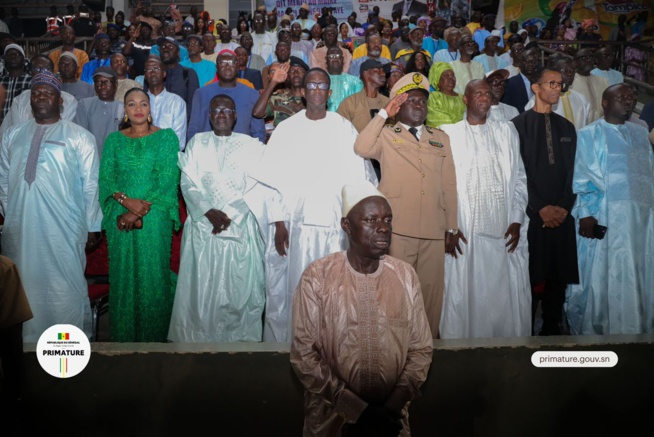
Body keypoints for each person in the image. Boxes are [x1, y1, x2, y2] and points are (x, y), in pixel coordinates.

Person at [290, 182, 433, 436]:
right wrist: (357, 410)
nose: (382, 228)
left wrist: (391, 408)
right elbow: (304, 357)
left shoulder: (405, 276)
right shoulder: (318, 276)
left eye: (387, 220)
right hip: (331, 420)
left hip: (392, 422)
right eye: (371, 220)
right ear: (347, 226)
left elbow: (421, 350)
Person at [252, 67, 377, 342]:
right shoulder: (286, 129)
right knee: (295, 291)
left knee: (334, 293)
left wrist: (352, 225)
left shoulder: (344, 128)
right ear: (304, 92)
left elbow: (360, 179)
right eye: (312, 86)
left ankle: (334, 349)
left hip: (334, 227)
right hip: (296, 228)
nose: (317, 91)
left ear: (329, 93)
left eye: (322, 87)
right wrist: (279, 222)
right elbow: (271, 182)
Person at [0, 71, 102, 342]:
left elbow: (91, 184)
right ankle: (25, 349)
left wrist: (92, 226)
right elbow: (3, 179)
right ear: (29, 101)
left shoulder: (80, 137)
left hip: (64, 228)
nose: (41, 96)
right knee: (22, 286)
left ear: (61, 102)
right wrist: (12, 212)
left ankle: (66, 351)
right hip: (20, 227)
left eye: (48, 93)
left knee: (64, 287)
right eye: (36, 93)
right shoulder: (12, 135)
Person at [354, 72, 458, 338]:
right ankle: (391, 350)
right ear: (398, 107)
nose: (418, 105)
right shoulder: (387, 134)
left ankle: (426, 352)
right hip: (397, 230)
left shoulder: (440, 138)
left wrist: (452, 228)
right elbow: (361, 147)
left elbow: (449, 185)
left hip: (434, 231)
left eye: (422, 100)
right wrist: (383, 114)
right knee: (394, 295)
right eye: (410, 100)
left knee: (431, 300)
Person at [169, 94, 266, 342]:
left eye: (227, 110)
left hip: (240, 226)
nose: (221, 114)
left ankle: (239, 344)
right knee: (202, 290)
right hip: (203, 227)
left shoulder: (250, 145)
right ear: (209, 116)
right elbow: (187, 182)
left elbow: (256, 185)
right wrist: (207, 211)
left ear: (235, 116)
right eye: (216, 110)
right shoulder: (196, 143)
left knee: (238, 288)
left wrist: (229, 214)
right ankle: (197, 344)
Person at [440, 79, 530, 339]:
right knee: (465, 292)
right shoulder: (448, 132)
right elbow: (440, 184)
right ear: (465, 99)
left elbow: (520, 179)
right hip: (465, 229)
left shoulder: (507, 131)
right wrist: (449, 225)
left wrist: (516, 219)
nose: (484, 97)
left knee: (502, 295)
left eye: (488, 93)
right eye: (477, 93)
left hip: (503, 227)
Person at [566, 84, 654, 335]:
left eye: (631, 97)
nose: (628, 101)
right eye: (621, 97)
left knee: (641, 271)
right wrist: (586, 214)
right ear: (605, 102)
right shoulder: (589, 133)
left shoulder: (640, 133)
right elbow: (582, 175)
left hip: (643, 221)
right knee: (607, 274)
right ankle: (603, 330)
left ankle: (641, 327)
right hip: (606, 217)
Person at [98, 87, 180, 342]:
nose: (138, 109)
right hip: (119, 218)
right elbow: (106, 179)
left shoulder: (167, 138)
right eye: (131, 104)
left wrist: (136, 212)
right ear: (125, 111)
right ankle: (124, 339)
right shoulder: (114, 140)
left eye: (143, 104)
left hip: (155, 217)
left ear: (150, 110)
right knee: (123, 276)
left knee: (152, 275)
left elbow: (168, 179)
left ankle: (154, 340)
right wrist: (125, 203)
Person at [512, 68, 579, 335]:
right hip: (532, 215)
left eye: (560, 84)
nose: (557, 89)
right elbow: (517, 173)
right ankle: (524, 335)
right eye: (551, 83)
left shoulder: (567, 127)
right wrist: (539, 207)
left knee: (557, 277)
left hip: (561, 214)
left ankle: (553, 332)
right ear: (535, 88)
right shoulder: (517, 126)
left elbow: (574, 171)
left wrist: (563, 207)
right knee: (530, 276)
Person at [188, 50, 265, 143]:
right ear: (217, 67)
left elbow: (258, 133)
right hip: (208, 150)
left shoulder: (252, 94)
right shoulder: (201, 93)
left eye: (232, 63)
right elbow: (193, 129)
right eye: (223, 63)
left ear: (237, 67)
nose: (227, 66)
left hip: (242, 150)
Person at [0, 55, 78, 139]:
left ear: (53, 71)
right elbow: (10, 132)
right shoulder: (20, 100)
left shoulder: (68, 100)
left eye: (46, 69)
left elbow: (64, 130)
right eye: (36, 69)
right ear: (30, 72)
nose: (42, 72)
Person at [525, 57, 590, 131]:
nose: (570, 73)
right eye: (564, 70)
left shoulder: (582, 99)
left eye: (572, 70)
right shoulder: (538, 100)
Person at [74, 66, 124, 157]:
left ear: (115, 84)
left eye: (107, 82)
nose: (102, 86)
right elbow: (79, 136)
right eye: (98, 82)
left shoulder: (122, 107)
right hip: (89, 158)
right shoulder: (84, 105)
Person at [143, 56, 187, 151]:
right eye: (149, 69)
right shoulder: (139, 102)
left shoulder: (177, 102)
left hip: (168, 158)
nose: (153, 72)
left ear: (164, 74)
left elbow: (179, 142)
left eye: (156, 68)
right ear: (145, 76)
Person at [252, 57, 307, 130]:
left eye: (300, 70)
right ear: (286, 76)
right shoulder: (277, 99)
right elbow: (257, 113)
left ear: (307, 75)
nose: (296, 73)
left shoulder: (314, 99)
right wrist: (273, 82)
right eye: (291, 70)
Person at [153, 36, 199, 121]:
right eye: (163, 47)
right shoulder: (154, 75)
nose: (166, 49)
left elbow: (193, 105)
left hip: (181, 125)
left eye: (170, 46)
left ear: (178, 53)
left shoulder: (188, 74)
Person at [338, 59, 390, 133]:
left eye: (383, 71)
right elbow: (340, 131)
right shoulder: (350, 103)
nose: (383, 74)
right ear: (366, 74)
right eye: (378, 70)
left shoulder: (388, 102)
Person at [570, 48, 609, 122]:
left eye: (591, 57)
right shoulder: (570, 83)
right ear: (575, 62)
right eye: (584, 58)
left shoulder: (603, 81)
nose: (588, 60)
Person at [502, 46, 540, 114]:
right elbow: (507, 108)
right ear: (520, 64)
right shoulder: (510, 83)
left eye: (533, 62)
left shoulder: (541, 82)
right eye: (527, 62)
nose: (530, 64)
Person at [427, 62, 465, 128]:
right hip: (441, 136)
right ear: (438, 80)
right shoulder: (432, 97)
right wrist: (461, 125)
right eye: (446, 75)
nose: (451, 78)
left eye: (452, 75)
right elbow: (436, 119)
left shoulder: (462, 98)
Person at [325, 46, 363, 112]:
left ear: (343, 60)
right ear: (326, 60)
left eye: (338, 56)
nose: (335, 59)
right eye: (331, 56)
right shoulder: (320, 81)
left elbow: (359, 107)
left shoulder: (356, 82)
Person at [0, 44, 30, 120]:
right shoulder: (1, 81)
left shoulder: (30, 81)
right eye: (9, 54)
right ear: (4, 59)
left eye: (16, 54)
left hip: (21, 126)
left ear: (23, 59)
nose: (12, 56)